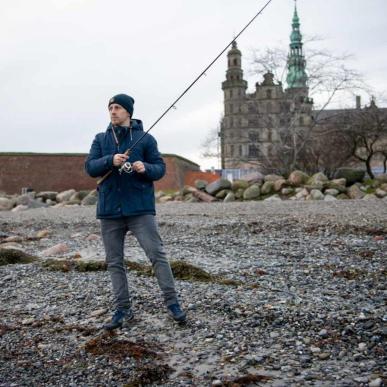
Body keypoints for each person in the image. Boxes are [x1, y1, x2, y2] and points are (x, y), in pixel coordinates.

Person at [85, 93, 186, 330]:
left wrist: (145, 168)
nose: (113, 111)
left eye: (117, 107)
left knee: (157, 255)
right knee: (114, 262)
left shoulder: (146, 139)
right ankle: (122, 310)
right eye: (110, 107)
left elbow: (160, 169)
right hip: (110, 211)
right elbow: (90, 167)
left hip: (140, 210)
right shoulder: (100, 139)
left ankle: (173, 304)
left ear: (128, 112)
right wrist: (111, 160)